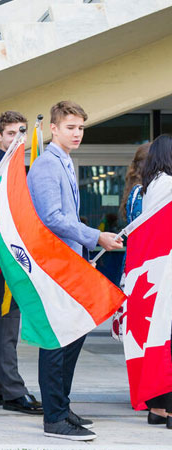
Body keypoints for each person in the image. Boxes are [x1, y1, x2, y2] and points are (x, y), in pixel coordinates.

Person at [27, 101, 123, 441]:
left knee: (74, 334)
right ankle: (54, 417)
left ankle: (61, 406)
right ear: (54, 129)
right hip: (54, 266)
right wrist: (95, 236)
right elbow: (52, 217)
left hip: (68, 264)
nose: (77, 133)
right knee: (57, 340)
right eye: (70, 127)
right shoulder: (45, 166)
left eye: (81, 127)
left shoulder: (64, 162)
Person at [0, 111, 42, 415]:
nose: (17, 139)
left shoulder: (21, 169)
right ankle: (13, 392)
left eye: (21, 133)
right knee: (6, 324)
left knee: (0, 324)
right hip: (3, 257)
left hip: (13, 256)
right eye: (10, 134)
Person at [138, 135, 172, 428]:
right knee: (167, 340)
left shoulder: (151, 185)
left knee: (158, 337)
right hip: (167, 268)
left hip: (156, 268)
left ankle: (158, 407)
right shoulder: (169, 185)